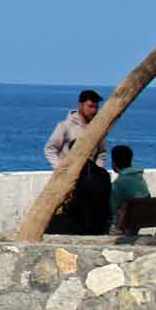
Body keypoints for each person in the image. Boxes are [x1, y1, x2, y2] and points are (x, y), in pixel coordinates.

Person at [44, 90, 112, 234]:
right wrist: (61, 170)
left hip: (90, 180)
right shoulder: (65, 126)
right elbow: (50, 149)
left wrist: (97, 172)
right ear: (80, 105)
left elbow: (101, 152)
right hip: (69, 179)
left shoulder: (98, 127)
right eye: (90, 106)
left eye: (96, 107)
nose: (94, 110)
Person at [107, 144, 151, 227]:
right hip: (140, 221)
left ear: (114, 163)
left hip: (122, 225)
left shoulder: (119, 183)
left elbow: (112, 209)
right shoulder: (139, 178)